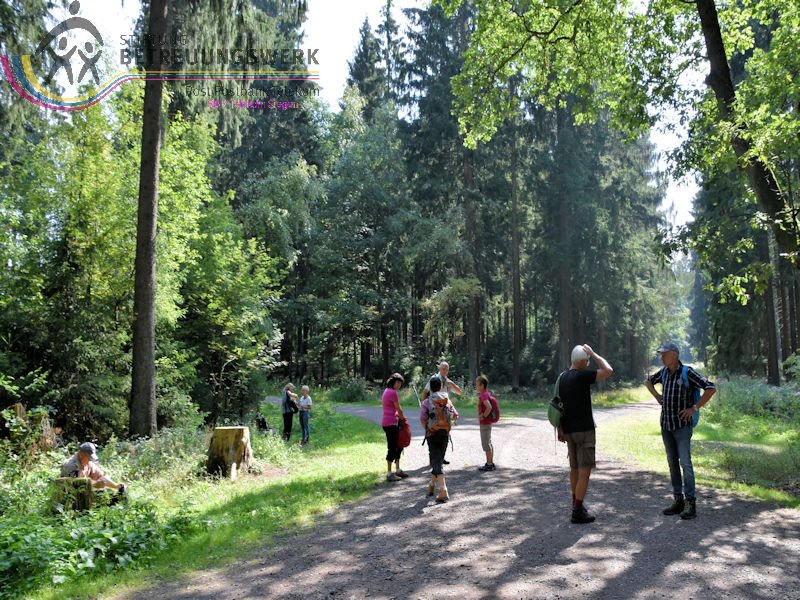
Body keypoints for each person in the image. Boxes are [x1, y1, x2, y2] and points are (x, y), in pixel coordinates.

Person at [645, 342, 716, 520]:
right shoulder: (663, 372)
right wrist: (657, 396)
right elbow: (648, 381)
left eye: (664, 354)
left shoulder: (687, 372)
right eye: (661, 354)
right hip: (666, 426)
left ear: (674, 355)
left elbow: (710, 387)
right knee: (672, 463)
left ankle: (691, 503)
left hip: (682, 427)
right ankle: (678, 501)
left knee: (685, 463)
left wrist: (694, 408)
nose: (662, 357)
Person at [556, 344, 613, 524]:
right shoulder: (583, 375)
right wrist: (594, 354)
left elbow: (557, 404)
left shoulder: (562, 377)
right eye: (587, 361)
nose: (588, 364)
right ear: (582, 361)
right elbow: (608, 370)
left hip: (569, 431)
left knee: (574, 469)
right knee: (584, 471)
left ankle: (576, 505)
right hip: (585, 431)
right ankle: (577, 510)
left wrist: (560, 429)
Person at [420, 376, 458, 503]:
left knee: (437, 462)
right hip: (445, 434)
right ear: (441, 387)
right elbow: (455, 415)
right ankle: (432, 485)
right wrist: (448, 426)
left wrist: (428, 429)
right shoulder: (447, 400)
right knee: (438, 460)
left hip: (432, 435)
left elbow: (422, 419)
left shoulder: (427, 401)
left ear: (430, 388)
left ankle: (443, 491)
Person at [422, 361, 462, 465]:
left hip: (444, 411)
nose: (445, 371)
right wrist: (424, 406)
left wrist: (451, 384)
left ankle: (441, 457)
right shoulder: (434, 378)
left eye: (447, 369)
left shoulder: (447, 381)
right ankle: (432, 459)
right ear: (439, 369)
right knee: (432, 432)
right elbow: (425, 391)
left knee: (443, 433)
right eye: (443, 369)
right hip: (433, 409)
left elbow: (459, 392)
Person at [60, 442, 125, 493]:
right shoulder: (70, 465)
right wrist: (95, 483)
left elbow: (100, 476)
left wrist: (116, 486)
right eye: (89, 457)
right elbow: (76, 484)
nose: (90, 460)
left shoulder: (87, 463)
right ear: (82, 454)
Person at [382, 373, 408, 481]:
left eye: (400, 384)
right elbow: (399, 408)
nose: (399, 385)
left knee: (398, 445)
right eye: (397, 383)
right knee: (392, 447)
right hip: (390, 424)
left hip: (391, 422)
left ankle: (397, 470)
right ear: (392, 382)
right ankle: (389, 474)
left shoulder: (387, 391)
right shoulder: (392, 392)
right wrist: (403, 420)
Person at [476, 375, 495, 472]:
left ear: (482, 385)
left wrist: (483, 416)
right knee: (489, 442)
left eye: (477, 384)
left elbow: (489, 407)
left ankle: (489, 464)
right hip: (488, 422)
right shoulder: (486, 393)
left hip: (485, 423)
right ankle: (490, 463)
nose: (476, 386)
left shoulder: (483, 395)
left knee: (486, 444)